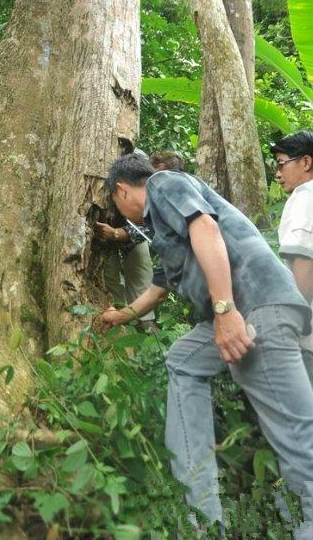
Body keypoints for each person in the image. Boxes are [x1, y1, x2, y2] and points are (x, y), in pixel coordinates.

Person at [101, 152, 313, 539]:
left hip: (255, 308)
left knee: (299, 440)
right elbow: (158, 289)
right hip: (248, 310)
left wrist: (225, 309)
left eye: (116, 205)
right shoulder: (159, 228)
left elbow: (205, 229)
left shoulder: (163, 184)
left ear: (121, 189)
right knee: (183, 360)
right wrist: (120, 316)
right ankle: (199, 518)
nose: (121, 214)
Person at [271, 130, 313, 381]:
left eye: (282, 164)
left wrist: (285, 327)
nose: (277, 173)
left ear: (306, 162)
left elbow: (305, 265)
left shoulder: (304, 198)